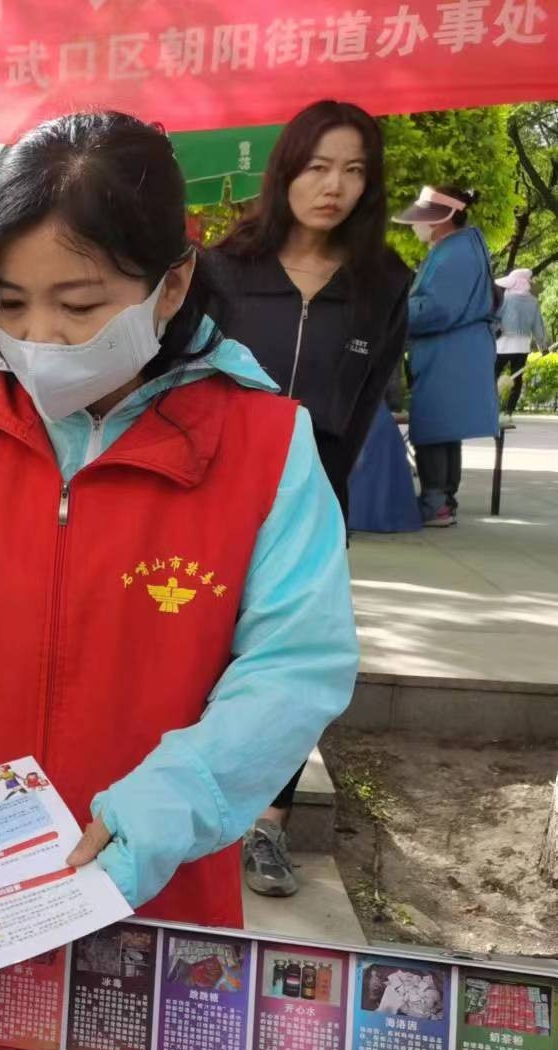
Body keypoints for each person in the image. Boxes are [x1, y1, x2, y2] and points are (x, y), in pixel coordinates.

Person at [0, 112, 359, 945]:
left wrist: (170, 805)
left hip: (148, 893)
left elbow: (294, 668)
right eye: (10, 304)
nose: (39, 338)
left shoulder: (265, 446)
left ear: (174, 284)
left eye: (80, 304)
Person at [206, 100, 410, 899]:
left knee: (292, 662)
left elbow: (363, 410)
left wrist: (329, 502)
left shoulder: (383, 282)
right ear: (287, 169)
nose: (335, 186)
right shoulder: (226, 268)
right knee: (199, 643)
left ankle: (270, 829)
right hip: (217, 489)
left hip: (313, 499)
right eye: (320, 166)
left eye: (354, 169)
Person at [393, 185, 500, 527]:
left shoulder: (455, 253)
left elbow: (439, 309)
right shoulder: (458, 248)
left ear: (442, 219)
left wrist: (391, 311)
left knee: (434, 428)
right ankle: (442, 501)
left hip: (448, 353)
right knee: (444, 429)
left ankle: (436, 501)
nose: (416, 225)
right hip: (453, 352)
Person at [496, 267, 549, 418]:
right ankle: (508, 413)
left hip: (503, 344)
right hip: (522, 346)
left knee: (492, 376)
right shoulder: (533, 302)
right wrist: (543, 346)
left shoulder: (505, 298)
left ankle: (491, 410)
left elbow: (495, 319)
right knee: (517, 379)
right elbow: (538, 326)